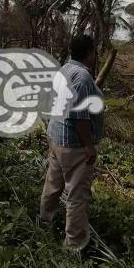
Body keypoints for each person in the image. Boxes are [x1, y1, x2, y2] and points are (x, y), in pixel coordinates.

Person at [40, 34, 104, 251]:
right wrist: (89, 145)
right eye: (94, 52)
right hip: (73, 145)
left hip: (56, 137)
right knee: (77, 195)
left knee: (53, 183)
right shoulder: (83, 77)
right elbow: (79, 116)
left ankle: (45, 220)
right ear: (89, 54)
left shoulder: (63, 70)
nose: (95, 56)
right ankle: (74, 244)